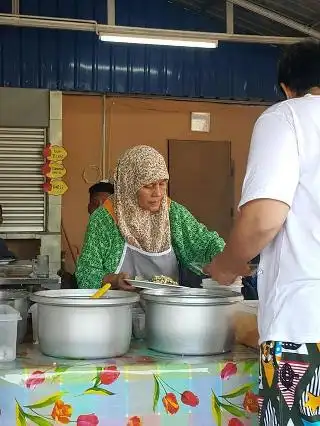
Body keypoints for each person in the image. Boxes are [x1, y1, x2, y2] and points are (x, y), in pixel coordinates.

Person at [206, 39, 320, 425]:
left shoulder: (288, 117)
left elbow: (263, 218)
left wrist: (227, 265)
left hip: (305, 328)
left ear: (287, 87)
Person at [76, 145, 224, 290]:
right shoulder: (104, 220)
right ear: (129, 185)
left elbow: (204, 243)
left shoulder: (172, 213)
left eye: (162, 183)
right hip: (117, 309)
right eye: (148, 186)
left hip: (166, 309)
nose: (158, 193)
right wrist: (113, 280)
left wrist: (225, 257)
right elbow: (86, 273)